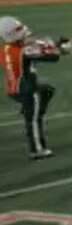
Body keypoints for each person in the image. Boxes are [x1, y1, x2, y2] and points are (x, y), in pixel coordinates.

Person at [1, 16, 60, 159]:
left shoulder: (6, 49)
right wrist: (51, 45)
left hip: (14, 89)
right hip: (27, 89)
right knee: (34, 119)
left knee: (46, 90)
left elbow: (24, 53)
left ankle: (31, 110)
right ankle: (37, 150)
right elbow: (53, 57)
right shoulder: (24, 51)